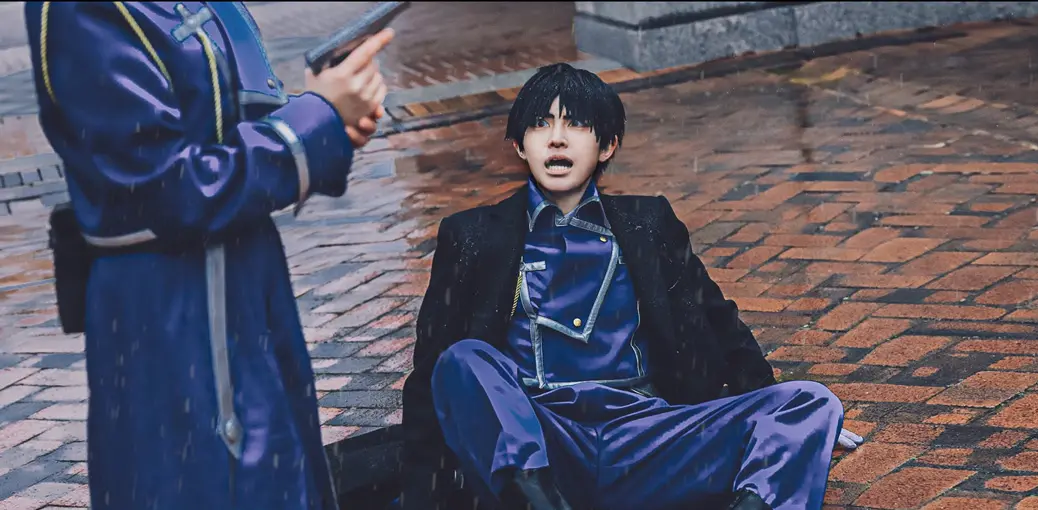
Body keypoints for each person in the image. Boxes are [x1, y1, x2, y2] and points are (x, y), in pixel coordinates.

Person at [398, 63, 863, 510]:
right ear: (520, 145)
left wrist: (784, 427)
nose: (556, 138)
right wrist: (424, 495)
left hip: (647, 441)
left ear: (607, 146)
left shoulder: (647, 223)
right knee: (462, 361)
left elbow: (720, 322)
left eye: (576, 124)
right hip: (542, 441)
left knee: (813, 402)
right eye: (540, 124)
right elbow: (431, 378)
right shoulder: (474, 235)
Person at [25, 2, 393, 509]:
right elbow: (167, 187)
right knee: (205, 479)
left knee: (275, 471)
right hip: (172, 306)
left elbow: (220, 120)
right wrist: (313, 122)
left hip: (243, 281)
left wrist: (330, 113)